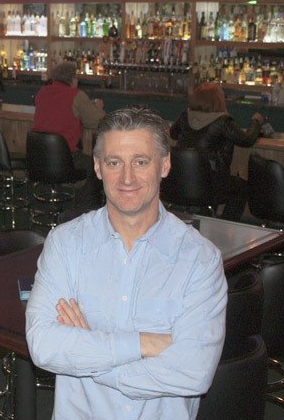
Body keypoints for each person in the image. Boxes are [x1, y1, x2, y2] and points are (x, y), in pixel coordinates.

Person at [26, 107, 227, 419]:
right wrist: (144, 344)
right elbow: (44, 346)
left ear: (165, 165)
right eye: (114, 162)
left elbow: (194, 371)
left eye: (141, 162)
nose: (127, 178)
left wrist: (90, 357)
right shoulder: (65, 243)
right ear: (97, 167)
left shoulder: (200, 259)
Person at [170, 82, 264, 220]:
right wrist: (256, 121)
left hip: (178, 181)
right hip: (210, 185)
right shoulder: (223, 121)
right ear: (219, 100)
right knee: (241, 187)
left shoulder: (186, 115)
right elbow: (247, 140)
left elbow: (173, 134)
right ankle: (225, 225)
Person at [32, 61, 105, 207]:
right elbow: (98, 121)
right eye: (76, 77)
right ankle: (86, 210)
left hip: (38, 158)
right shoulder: (77, 95)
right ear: (72, 79)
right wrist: (97, 107)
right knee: (97, 164)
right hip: (65, 159)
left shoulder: (42, 92)